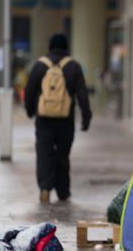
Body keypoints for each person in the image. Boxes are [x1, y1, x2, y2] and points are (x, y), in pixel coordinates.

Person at [25, 33, 92, 203]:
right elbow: (82, 94)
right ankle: (63, 191)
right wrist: (86, 117)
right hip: (65, 119)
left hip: (44, 118)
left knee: (43, 153)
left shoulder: (40, 65)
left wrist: (30, 110)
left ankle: (45, 188)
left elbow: (30, 90)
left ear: (50, 46)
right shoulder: (74, 67)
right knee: (62, 154)